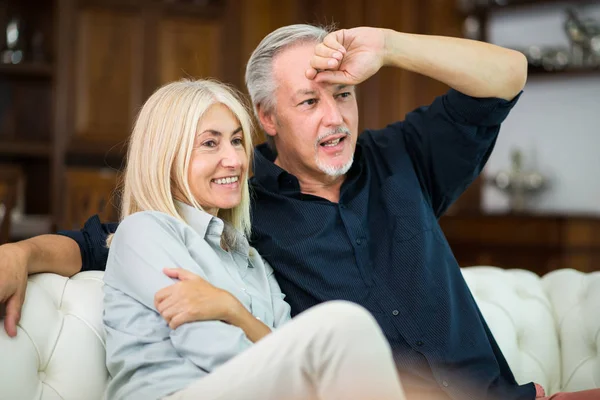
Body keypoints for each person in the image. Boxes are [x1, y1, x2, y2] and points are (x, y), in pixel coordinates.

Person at [1, 24, 599, 400]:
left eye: (343, 94)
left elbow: (507, 76)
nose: (334, 118)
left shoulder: (402, 156)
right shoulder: (236, 198)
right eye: (309, 101)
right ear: (267, 119)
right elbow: (99, 242)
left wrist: (389, 46)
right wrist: (21, 252)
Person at [101, 78, 405, 400]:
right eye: (209, 143)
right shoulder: (144, 232)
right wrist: (298, 365)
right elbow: (211, 349)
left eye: (236, 141)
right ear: (166, 155)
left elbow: (284, 346)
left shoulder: (249, 258)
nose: (234, 160)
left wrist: (234, 312)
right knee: (346, 325)